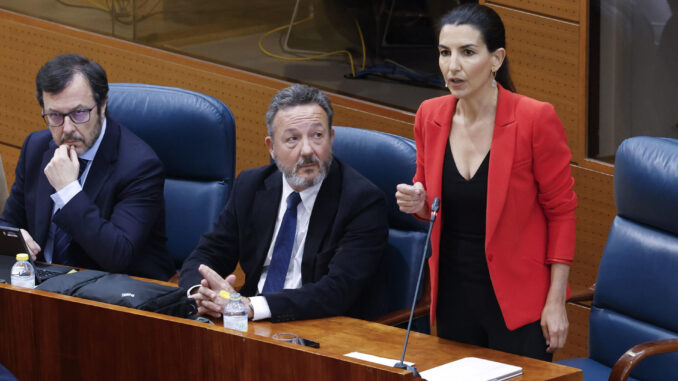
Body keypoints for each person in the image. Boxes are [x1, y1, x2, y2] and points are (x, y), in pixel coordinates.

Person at [395, 4, 577, 361]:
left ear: (496, 59)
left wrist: (556, 301)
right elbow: (429, 195)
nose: (453, 66)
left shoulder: (534, 119)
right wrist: (419, 202)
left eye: (467, 52)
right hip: (453, 295)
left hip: (519, 303)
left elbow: (562, 213)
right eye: (445, 53)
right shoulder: (429, 116)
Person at [179, 84, 388, 322]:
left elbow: (337, 291)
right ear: (272, 148)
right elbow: (207, 254)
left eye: (317, 136)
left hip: (319, 328)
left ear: (331, 138)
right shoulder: (251, 185)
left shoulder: (362, 201)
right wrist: (200, 292)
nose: (307, 150)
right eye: (292, 139)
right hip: (249, 323)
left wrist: (250, 307)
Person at [0, 53, 174, 281]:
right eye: (55, 116)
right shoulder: (36, 147)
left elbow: (117, 255)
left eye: (79, 113)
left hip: (111, 297)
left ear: (102, 104)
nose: (67, 129)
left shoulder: (139, 166)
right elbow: (8, 222)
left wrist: (68, 192)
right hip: (43, 288)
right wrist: (14, 237)